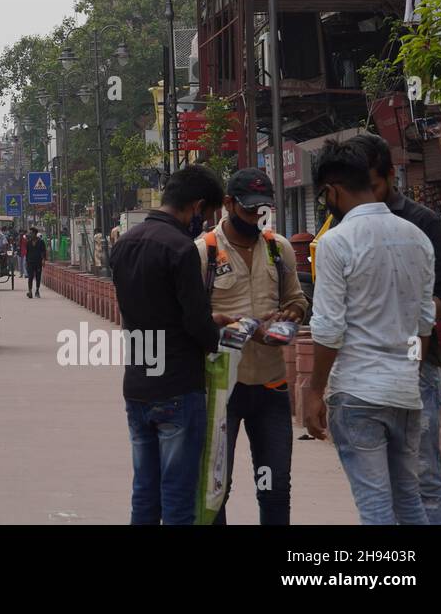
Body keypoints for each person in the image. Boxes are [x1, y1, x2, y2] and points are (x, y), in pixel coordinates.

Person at [305, 139, 435, 525]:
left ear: (332, 190)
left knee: (376, 507)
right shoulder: (418, 237)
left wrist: (314, 391)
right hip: (405, 393)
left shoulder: (335, 242)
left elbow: (328, 327)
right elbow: (423, 324)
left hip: (358, 393)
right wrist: (407, 369)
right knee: (409, 500)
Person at [110, 164, 230, 525]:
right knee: (178, 496)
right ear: (196, 206)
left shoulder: (123, 245)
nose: (205, 222)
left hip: (138, 384)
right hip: (177, 387)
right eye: (206, 214)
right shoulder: (181, 249)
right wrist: (218, 336)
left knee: (144, 493)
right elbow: (194, 322)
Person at [345, 131, 441, 523]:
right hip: (366, 375)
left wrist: (411, 323)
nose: (367, 197)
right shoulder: (347, 222)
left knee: (423, 477)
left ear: (391, 176)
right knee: (381, 488)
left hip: (416, 365)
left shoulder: (421, 222)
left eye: (373, 186)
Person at [195, 168, 309, 525]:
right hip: (221, 390)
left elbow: (298, 301)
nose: (256, 218)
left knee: (273, 485)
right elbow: (191, 319)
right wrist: (224, 324)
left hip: (271, 387)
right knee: (217, 487)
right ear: (228, 204)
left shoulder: (279, 248)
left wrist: (291, 314)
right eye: (248, 210)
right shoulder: (205, 253)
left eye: (262, 210)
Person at [26, 227, 47, 298]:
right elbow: (27, 252)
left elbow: (43, 251)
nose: (30, 234)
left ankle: (37, 290)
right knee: (30, 276)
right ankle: (30, 291)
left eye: (31, 233)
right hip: (30, 262)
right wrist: (27, 262)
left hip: (38, 262)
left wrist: (43, 260)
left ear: (35, 233)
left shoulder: (41, 242)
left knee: (38, 277)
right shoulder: (28, 242)